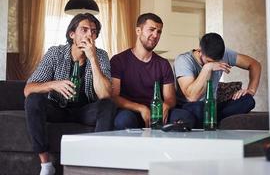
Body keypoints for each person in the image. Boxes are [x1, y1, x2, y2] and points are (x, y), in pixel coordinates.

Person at [24, 13, 116, 175]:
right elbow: (28, 89)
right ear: (72, 34)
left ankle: (96, 162)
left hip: (85, 110)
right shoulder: (55, 53)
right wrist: (53, 84)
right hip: (58, 108)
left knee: (108, 104)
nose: (89, 35)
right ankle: (46, 164)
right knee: (33, 99)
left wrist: (92, 58)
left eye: (93, 32)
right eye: (84, 30)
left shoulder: (100, 55)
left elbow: (105, 94)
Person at [110, 13, 194, 129]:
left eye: (159, 32)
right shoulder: (118, 60)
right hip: (131, 111)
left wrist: (166, 105)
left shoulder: (163, 64)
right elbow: (114, 97)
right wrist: (141, 108)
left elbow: (170, 98)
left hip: (157, 112)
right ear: (138, 31)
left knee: (186, 117)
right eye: (151, 30)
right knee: (124, 120)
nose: (155, 35)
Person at [174, 32, 261, 128]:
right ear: (200, 51)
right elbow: (192, 97)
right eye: (210, 61)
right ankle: (212, 120)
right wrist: (207, 68)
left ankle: (211, 119)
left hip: (212, 107)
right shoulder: (183, 60)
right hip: (189, 107)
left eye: (217, 61)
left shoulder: (224, 55)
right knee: (199, 108)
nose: (215, 63)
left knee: (248, 101)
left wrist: (251, 90)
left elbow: (254, 64)